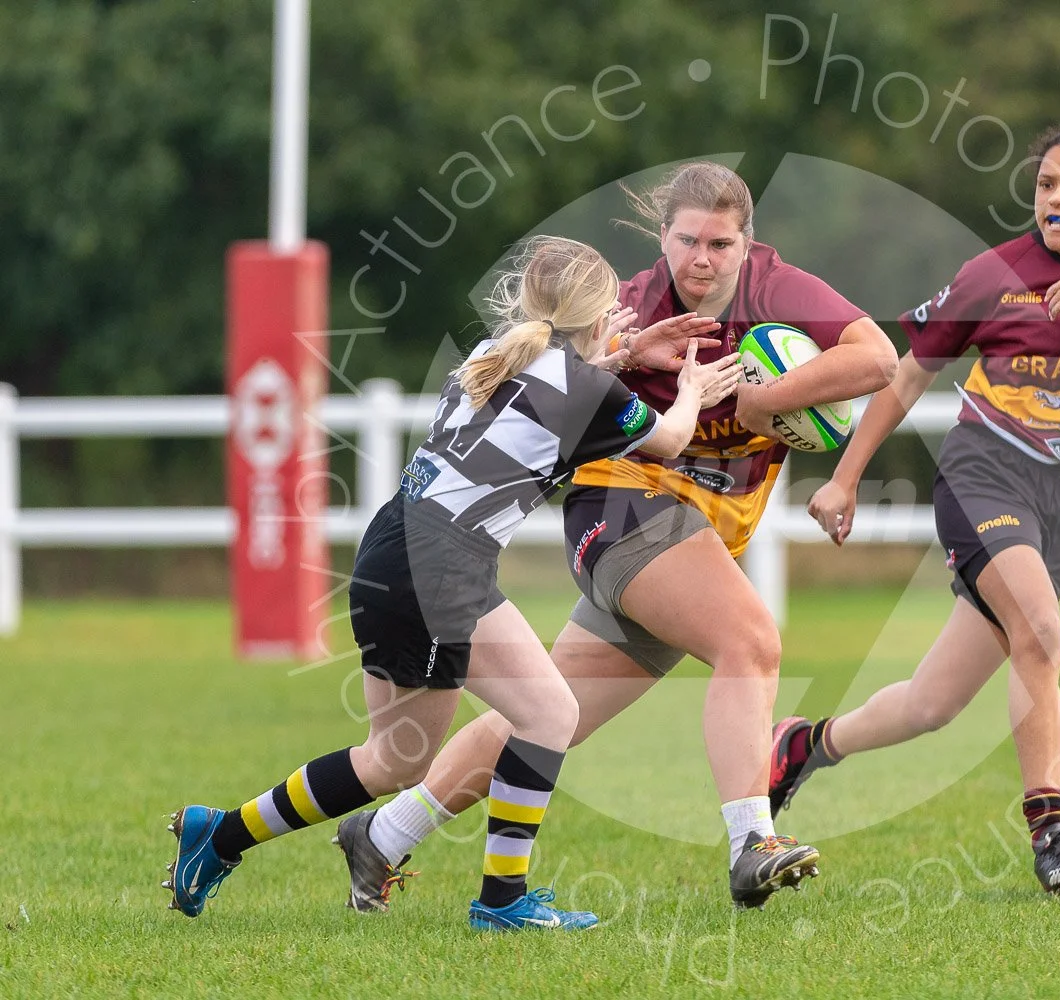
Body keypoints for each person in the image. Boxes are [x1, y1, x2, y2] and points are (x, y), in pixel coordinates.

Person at [334, 161, 899, 910]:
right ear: (661, 236)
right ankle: (751, 843)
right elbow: (551, 379)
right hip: (623, 507)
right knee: (752, 639)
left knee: (548, 715)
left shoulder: (779, 289)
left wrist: (770, 402)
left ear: (747, 244)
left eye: (721, 245)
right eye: (688, 240)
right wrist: (635, 358)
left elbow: (878, 358)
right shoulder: (627, 305)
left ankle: (383, 837)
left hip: (702, 536)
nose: (703, 259)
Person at [163, 236, 743, 931]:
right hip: (443, 567)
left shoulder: (494, 353)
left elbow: (560, 391)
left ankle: (218, 835)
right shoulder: (585, 386)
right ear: (599, 315)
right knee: (547, 717)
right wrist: (690, 389)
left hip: (392, 544)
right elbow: (672, 439)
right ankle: (503, 902)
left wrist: (616, 354)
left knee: (393, 760)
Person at [772, 118, 1060, 896]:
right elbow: (907, 376)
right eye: (1047, 184)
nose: (1057, 199)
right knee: (1040, 631)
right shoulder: (994, 272)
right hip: (983, 478)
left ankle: (806, 746)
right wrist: (844, 478)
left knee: (933, 703)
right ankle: (1050, 835)